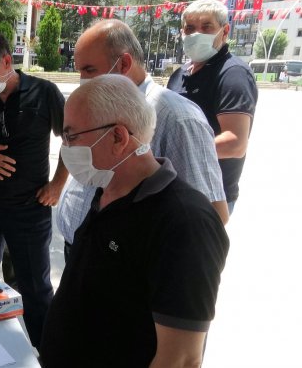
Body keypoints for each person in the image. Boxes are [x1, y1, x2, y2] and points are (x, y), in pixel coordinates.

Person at [40, 74, 229, 367]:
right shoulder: (106, 191)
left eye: (71, 136)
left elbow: (180, 358)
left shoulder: (186, 222)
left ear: (118, 137)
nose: (65, 148)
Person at [56, 19, 228, 262]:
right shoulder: (98, 105)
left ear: (124, 63)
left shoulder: (178, 117)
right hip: (84, 249)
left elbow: (208, 216)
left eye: (90, 70)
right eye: (80, 71)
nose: (82, 80)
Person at [0, 30, 67, 348]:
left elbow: (72, 139)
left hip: (31, 210)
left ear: (7, 61)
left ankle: (43, 352)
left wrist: (58, 184)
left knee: (35, 288)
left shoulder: (44, 92)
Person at [167, 0, 258, 214]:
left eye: (206, 27)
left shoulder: (233, 74)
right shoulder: (180, 74)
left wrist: (176, 153)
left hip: (209, 196)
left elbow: (235, 143)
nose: (196, 33)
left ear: (224, 31)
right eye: (190, 28)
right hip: (175, 188)